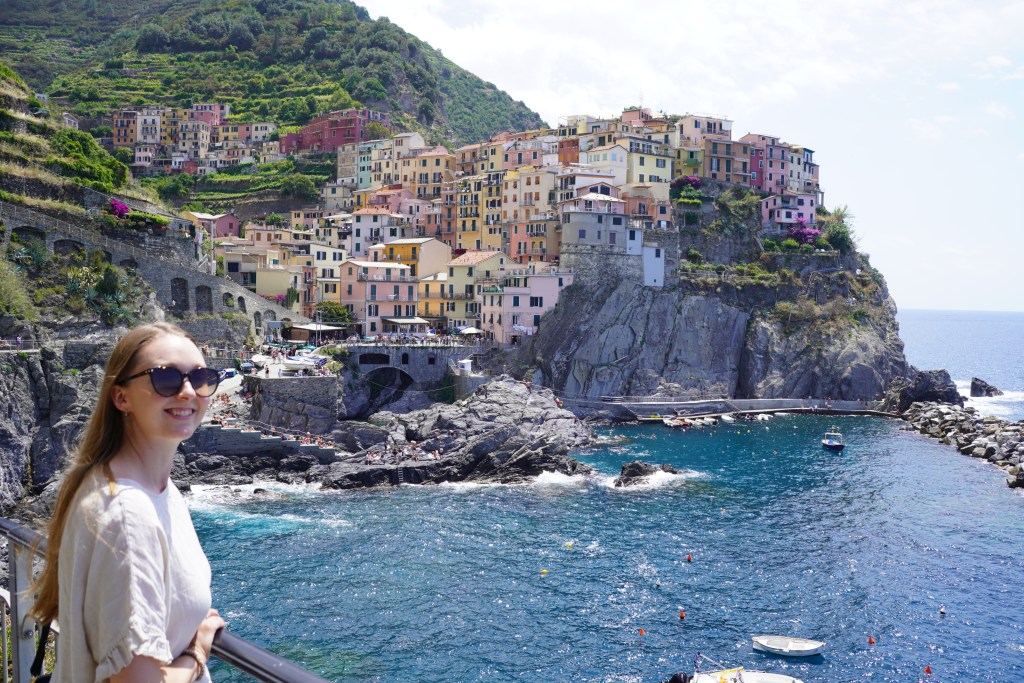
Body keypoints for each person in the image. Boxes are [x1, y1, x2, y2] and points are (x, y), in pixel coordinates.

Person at [31, 323, 225, 682]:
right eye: (164, 378)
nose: (187, 392)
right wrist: (198, 653)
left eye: (201, 377)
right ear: (121, 397)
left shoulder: (146, 489)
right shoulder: (129, 515)